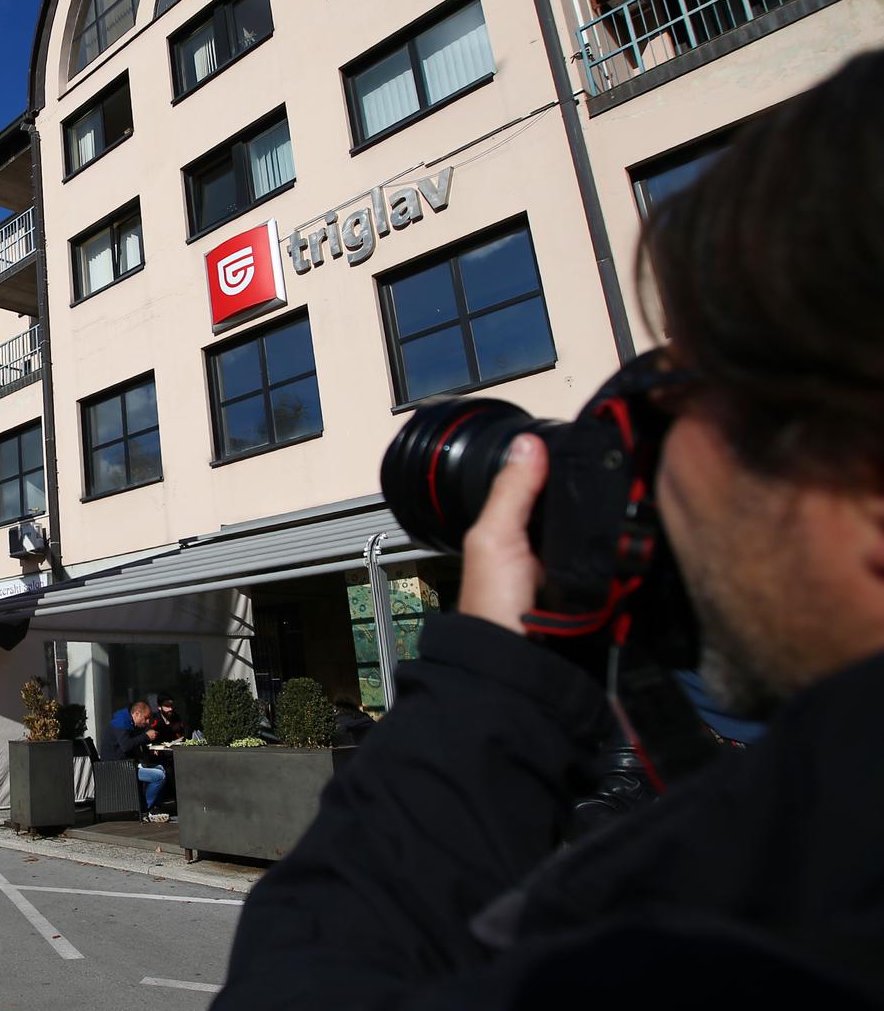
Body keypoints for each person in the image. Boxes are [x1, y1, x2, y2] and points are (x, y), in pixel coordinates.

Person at [214, 52, 884, 1008]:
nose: (650, 462)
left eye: (691, 397)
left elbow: (305, 980)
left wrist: (488, 670)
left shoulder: (754, 934)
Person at [107, 700, 170, 823]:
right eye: (146, 718)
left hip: (126, 764)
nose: (147, 722)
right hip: (117, 768)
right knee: (159, 776)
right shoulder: (121, 722)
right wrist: (146, 736)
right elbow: (126, 745)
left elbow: (132, 744)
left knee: (161, 769)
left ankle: (151, 807)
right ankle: (145, 809)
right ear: (136, 714)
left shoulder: (127, 721)